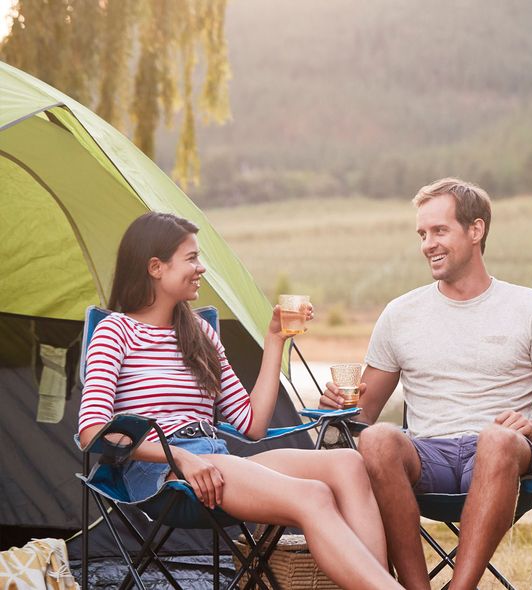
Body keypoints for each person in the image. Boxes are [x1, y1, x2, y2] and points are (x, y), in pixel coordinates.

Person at [77, 212, 403, 590]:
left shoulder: (197, 332)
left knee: (347, 463)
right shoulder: (115, 332)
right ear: (155, 267)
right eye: (191, 258)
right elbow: (93, 433)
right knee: (312, 495)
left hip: (217, 459)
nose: (201, 268)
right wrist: (178, 457)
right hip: (164, 477)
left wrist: (275, 341)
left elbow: (251, 425)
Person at [319, 178, 532, 590]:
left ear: (475, 231)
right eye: (422, 234)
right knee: (378, 439)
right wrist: (338, 405)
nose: (428, 244)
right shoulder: (400, 314)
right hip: (429, 456)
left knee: (496, 439)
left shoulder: (530, 307)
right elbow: (363, 415)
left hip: (502, 455)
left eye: (439, 231)